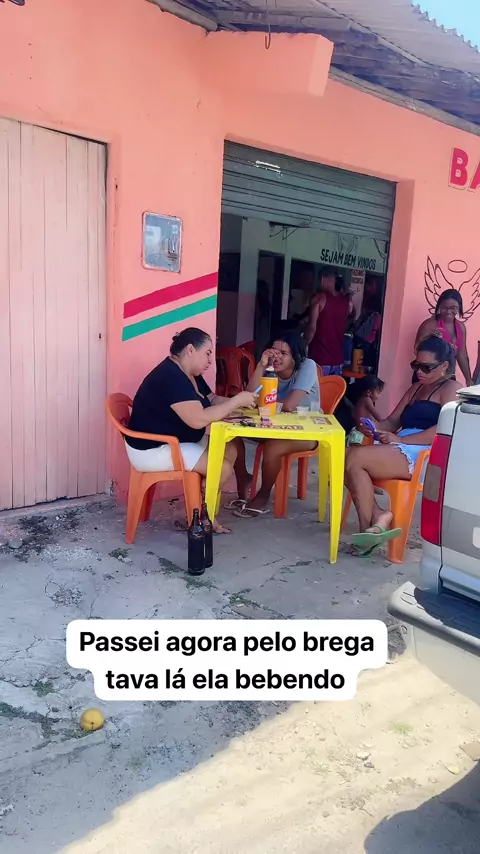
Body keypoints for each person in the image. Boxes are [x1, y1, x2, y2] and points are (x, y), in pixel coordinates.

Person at [125, 327, 258, 533]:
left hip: (174, 439)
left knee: (231, 444)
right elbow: (198, 420)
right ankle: (195, 514)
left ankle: (201, 504)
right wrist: (236, 401)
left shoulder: (189, 374)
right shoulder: (170, 376)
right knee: (221, 467)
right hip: (153, 448)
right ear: (190, 350)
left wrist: (242, 405)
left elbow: (211, 399)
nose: (210, 361)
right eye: (207, 353)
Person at [345, 336, 460, 554]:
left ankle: (370, 526)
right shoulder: (416, 388)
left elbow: (444, 429)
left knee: (354, 458)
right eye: (416, 365)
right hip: (402, 446)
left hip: (425, 453)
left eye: (426, 367)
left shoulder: (451, 389)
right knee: (346, 458)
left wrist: (400, 440)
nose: (420, 372)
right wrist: (375, 428)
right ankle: (375, 520)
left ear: (444, 366)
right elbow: (392, 421)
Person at [230, 330, 320, 518]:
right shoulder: (269, 368)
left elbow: (289, 406)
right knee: (232, 433)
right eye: (273, 352)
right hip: (273, 427)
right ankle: (244, 479)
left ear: (296, 356)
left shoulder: (307, 366)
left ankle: (263, 495)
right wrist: (261, 366)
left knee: (273, 446)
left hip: (308, 431)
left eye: (283, 353)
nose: (276, 357)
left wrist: (262, 401)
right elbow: (249, 397)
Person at [414, 289, 473, 385]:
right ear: (439, 307)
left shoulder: (461, 327)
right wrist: (431, 338)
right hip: (427, 375)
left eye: (453, 308)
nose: (448, 311)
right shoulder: (430, 325)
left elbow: (462, 355)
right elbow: (417, 349)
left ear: (459, 307)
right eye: (444, 307)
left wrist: (468, 379)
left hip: (448, 375)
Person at [306, 266, 354, 375]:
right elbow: (348, 320)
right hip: (337, 360)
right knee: (334, 387)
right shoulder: (347, 302)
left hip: (320, 358)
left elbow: (312, 329)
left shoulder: (319, 298)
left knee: (317, 386)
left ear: (322, 279)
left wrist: (302, 347)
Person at [347, 376, 385, 446]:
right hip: (359, 434)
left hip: (356, 431)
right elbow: (377, 416)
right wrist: (385, 423)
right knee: (356, 451)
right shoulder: (367, 400)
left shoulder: (360, 400)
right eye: (378, 393)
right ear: (369, 392)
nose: (379, 396)